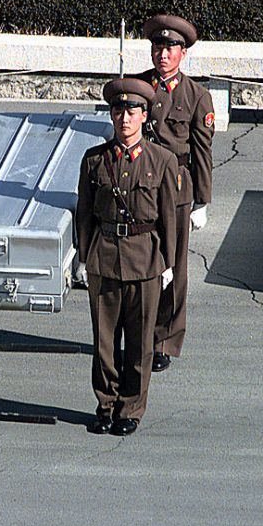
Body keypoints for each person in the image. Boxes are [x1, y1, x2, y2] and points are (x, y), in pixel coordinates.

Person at [75, 78, 178, 436]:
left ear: (144, 115)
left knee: (139, 342)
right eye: (118, 111)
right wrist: (83, 256)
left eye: (131, 111)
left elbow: (168, 217)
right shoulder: (94, 160)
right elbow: (84, 213)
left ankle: (131, 407)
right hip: (104, 257)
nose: (124, 118)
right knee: (104, 342)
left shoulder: (161, 160)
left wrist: (168, 263)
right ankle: (105, 404)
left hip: (145, 260)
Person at [137, 14, 215, 373]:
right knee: (140, 263)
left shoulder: (196, 96)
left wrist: (202, 200)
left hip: (176, 190)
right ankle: (139, 335)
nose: (162, 54)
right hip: (138, 186)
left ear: (183, 53)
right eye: (158, 47)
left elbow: (201, 151)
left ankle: (165, 338)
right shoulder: (136, 88)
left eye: (170, 48)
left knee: (174, 266)